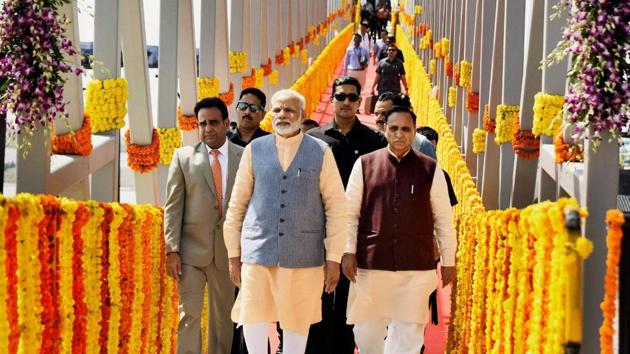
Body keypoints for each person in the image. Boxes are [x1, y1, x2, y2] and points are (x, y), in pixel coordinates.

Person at [224, 89, 348, 354]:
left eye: (289, 110)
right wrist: (234, 255)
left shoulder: (320, 151)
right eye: (278, 109)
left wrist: (334, 258)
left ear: (301, 115)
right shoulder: (255, 150)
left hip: (304, 256)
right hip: (258, 251)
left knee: (296, 323)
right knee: (252, 317)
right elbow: (237, 206)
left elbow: (337, 208)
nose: (282, 115)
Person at [342, 105, 457, 354]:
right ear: (384, 130)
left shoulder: (431, 169)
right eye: (393, 128)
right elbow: (349, 214)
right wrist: (347, 251)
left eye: (406, 129)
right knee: (366, 333)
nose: (399, 134)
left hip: (416, 267)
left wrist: (448, 260)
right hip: (372, 263)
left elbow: (443, 218)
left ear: (415, 131)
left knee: (409, 337)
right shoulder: (364, 165)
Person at [307, 76, 386, 354]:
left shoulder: (374, 140)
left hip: (356, 230)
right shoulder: (314, 139)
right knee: (316, 301)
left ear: (359, 101)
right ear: (332, 99)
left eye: (353, 97)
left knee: (346, 303)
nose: (347, 102)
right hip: (319, 230)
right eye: (341, 97)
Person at [164, 97, 244, 354]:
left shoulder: (245, 157)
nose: (207, 128)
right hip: (190, 254)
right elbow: (173, 207)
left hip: (229, 254)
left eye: (213, 123)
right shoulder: (183, 157)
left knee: (223, 321)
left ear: (226, 123)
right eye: (202, 124)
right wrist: (171, 249)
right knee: (188, 316)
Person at [373, 92, 436, 159]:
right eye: (376, 114)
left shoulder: (422, 145)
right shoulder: (369, 141)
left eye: (384, 114)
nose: (378, 118)